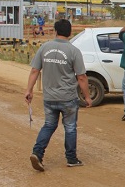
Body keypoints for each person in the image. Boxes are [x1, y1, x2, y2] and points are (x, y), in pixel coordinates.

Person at [25, 19, 92, 171]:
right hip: (68, 98)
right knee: (70, 128)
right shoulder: (74, 51)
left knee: (49, 125)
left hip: (49, 97)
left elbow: (35, 70)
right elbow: (81, 77)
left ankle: (37, 153)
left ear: (55, 31)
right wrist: (87, 97)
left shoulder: (44, 47)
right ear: (70, 32)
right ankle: (71, 158)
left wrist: (28, 90)